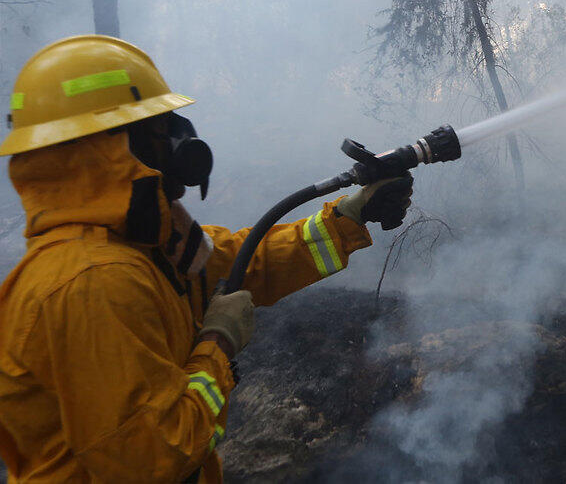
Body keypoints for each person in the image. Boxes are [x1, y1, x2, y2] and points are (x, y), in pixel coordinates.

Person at [0, 36, 413, 482]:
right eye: (161, 127)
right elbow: (153, 458)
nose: (180, 140)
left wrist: (348, 217)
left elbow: (243, 264)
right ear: (117, 145)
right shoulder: (92, 284)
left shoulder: (142, 248)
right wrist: (218, 344)